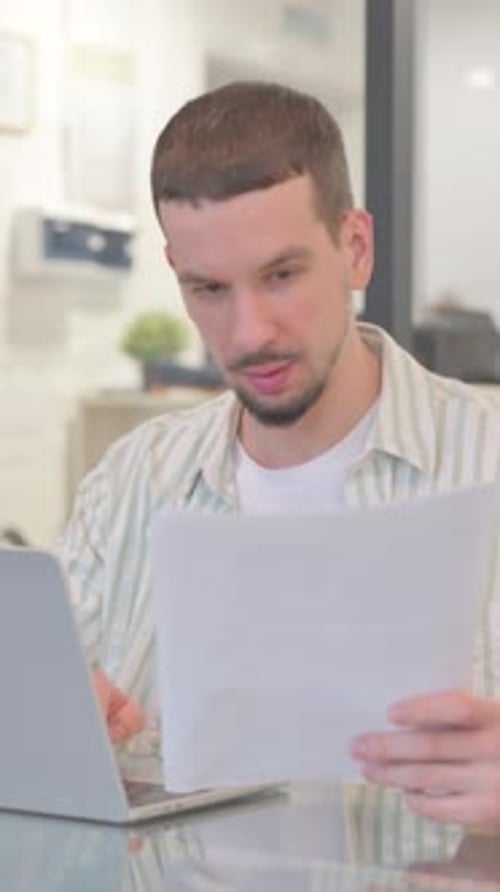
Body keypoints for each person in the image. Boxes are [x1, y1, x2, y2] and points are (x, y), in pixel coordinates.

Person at [61, 80, 500, 829]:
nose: (247, 332)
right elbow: (46, 738)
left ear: (355, 248)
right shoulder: (131, 482)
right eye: (208, 289)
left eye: (282, 276)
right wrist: (61, 735)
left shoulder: (484, 458)